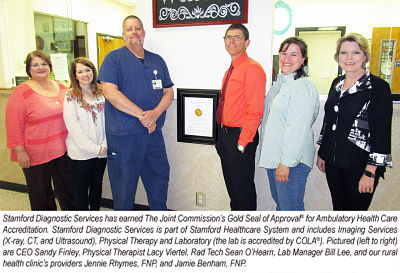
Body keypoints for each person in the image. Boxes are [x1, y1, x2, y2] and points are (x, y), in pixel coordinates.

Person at [98, 15, 174, 211]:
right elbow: (110, 92)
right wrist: (143, 116)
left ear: (144, 33)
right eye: (130, 29)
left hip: (152, 136)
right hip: (125, 138)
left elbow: (168, 91)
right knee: (124, 191)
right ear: (123, 35)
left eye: (138, 28)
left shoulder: (157, 60)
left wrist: (155, 114)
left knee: (159, 182)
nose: (135, 32)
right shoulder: (113, 59)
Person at [316, 33, 392, 211]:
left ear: (364, 56)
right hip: (334, 163)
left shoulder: (377, 87)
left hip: (360, 166)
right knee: (339, 210)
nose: (349, 58)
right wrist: (323, 151)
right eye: (344, 53)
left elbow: (381, 133)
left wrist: (370, 171)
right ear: (338, 57)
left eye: (355, 53)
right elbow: (330, 121)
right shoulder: (337, 83)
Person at [5, 50, 75, 211]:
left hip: (63, 150)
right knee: (41, 196)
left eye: (43, 64)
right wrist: (20, 151)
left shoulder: (61, 86)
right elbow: (13, 125)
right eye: (35, 65)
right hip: (35, 155)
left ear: (50, 67)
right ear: (29, 69)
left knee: (69, 191)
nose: (40, 68)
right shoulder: (21, 92)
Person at [258, 37, 319, 211]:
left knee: (290, 211)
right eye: (284, 53)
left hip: (291, 162)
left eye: (294, 54)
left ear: (303, 59)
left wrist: (286, 163)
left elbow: (297, 128)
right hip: (276, 159)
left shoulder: (302, 86)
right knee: (283, 207)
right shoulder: (280, 84)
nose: (287, 59)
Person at [215, 23, 266, 211]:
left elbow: (255, 110)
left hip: (240, 137)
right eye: (228, 37)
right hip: (226, 136)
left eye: (237, 37)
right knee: (234, 191)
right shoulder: (232, 69)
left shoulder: (252, 68)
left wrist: (243, 142)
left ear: (247, 42)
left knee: (242, 192)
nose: (232, 41)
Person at [63, 57, 107, 211]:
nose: (85, 74)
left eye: (87, 70)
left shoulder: (102, 92)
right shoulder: (71, 95)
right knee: (81, 189)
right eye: (80, 71)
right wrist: (93, 148)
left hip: (102, 151)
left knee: (97, 186)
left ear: (93, 71)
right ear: (74, 75)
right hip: (81, 152)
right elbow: (73, 127)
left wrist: (104, 145)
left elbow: (108, 121)